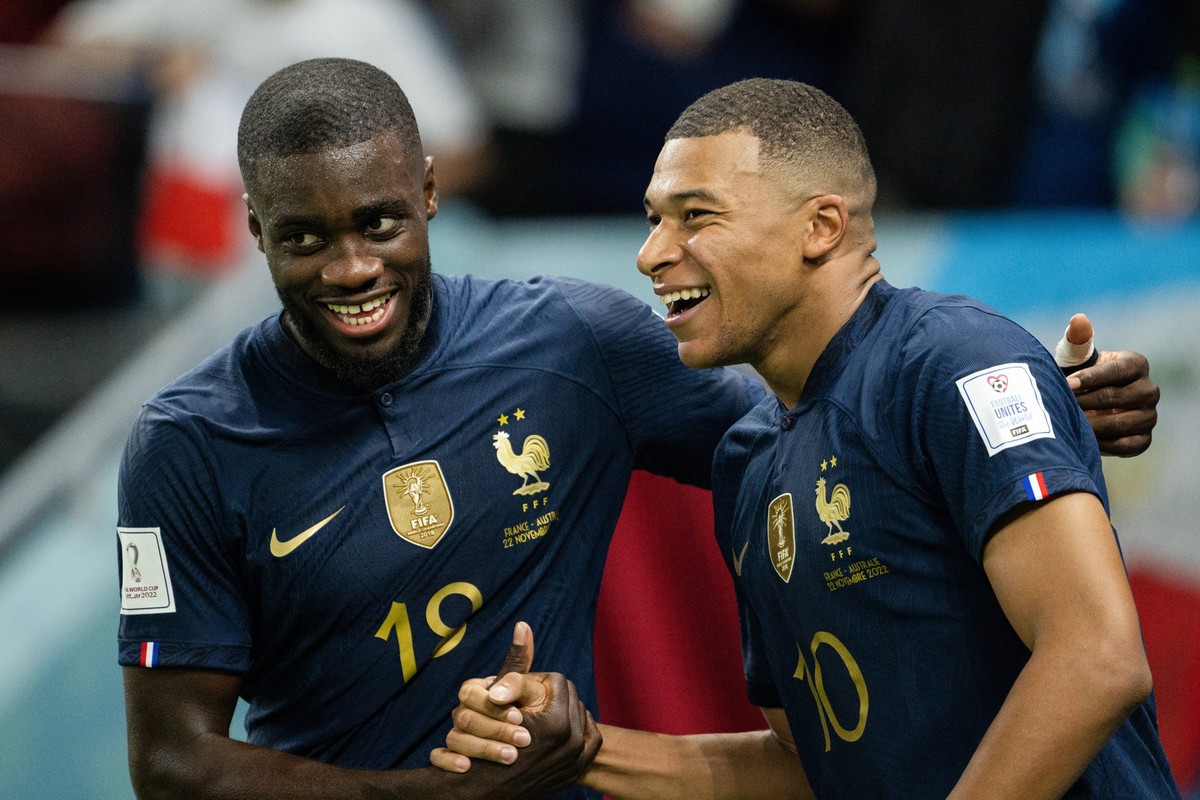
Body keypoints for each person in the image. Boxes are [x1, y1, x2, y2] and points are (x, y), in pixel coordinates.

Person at [115, 59, 1160, 800]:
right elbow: (171, 763)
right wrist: (544, 759)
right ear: (255, 229)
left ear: (431, 192)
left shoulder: (574, 342)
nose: (350, 266)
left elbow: (887, 416)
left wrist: (1034, 406)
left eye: (378, 222)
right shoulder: (183, 447)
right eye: (305, 237)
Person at [434, 78, 1182, 799]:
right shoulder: (749, 454)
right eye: (654, 217)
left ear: (821, 227)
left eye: (696, 215)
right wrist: (577, 751)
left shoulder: (957, 361)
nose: (652, 253)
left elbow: (1097, 659)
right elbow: (812, 766)